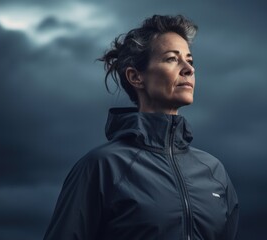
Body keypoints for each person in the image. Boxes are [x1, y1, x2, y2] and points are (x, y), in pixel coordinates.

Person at [43, 14, 239, 240]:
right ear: (136, 77)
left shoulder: (214, 172)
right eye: (172, 59)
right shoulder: (102, 167)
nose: (188, 69)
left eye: (190, 61)